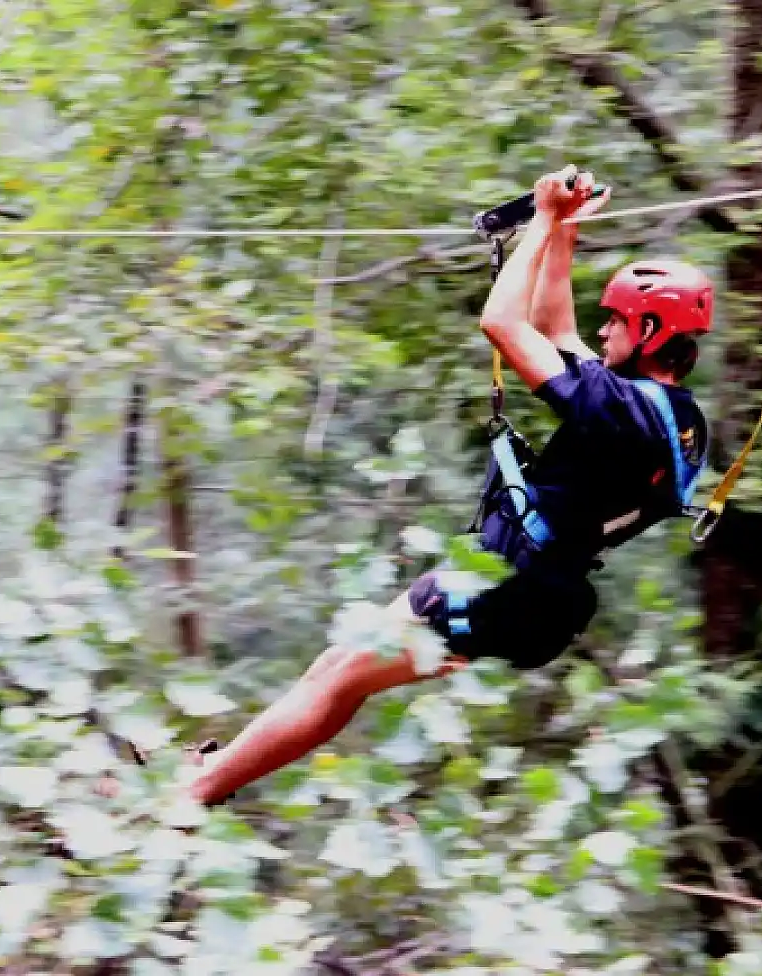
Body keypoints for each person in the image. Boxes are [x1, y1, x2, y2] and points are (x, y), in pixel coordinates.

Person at [182, 165, 713, 808]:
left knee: (344, 676)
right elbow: (558, 330)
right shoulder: (674, 419)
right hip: (530, 586)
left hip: (502, 581)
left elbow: (505, 323)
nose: (604, 332)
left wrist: (542, 220)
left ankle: (198, 793)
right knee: (338, 669)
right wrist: (563, 233)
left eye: (619, 322)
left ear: (652, 333)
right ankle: (211, 776)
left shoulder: (616, 409)